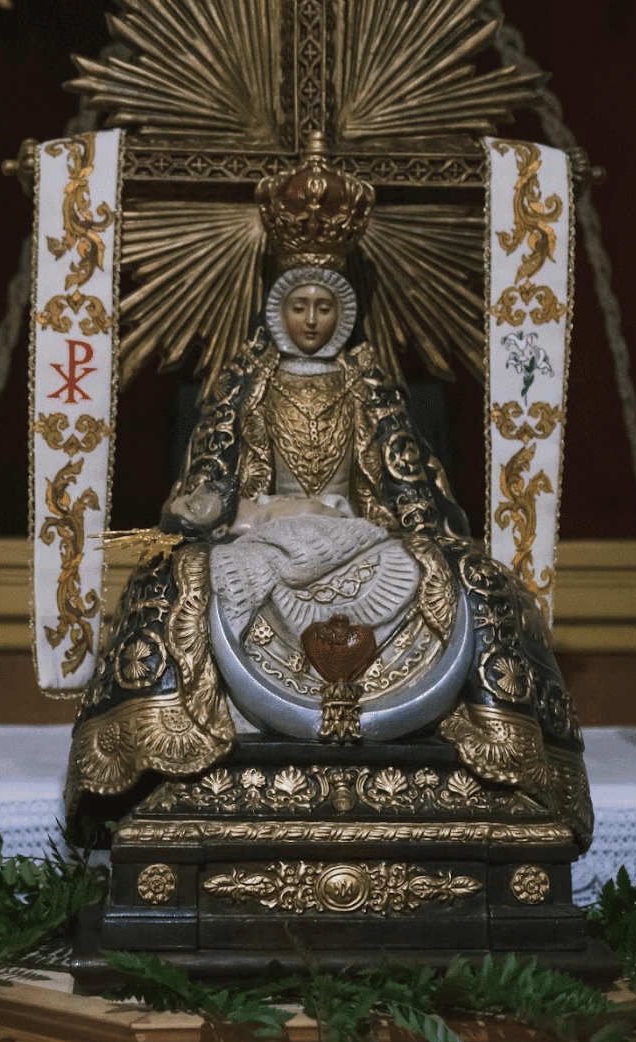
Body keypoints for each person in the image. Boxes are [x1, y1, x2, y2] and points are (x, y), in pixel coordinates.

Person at [66, 254, 589, 843]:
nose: (311, 320)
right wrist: (216, 509)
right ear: (277, 312)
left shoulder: (368, 389)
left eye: (324, 307)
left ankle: (494, 735)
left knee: (469, 574)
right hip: (261, 528)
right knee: (172, 576)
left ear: (345, 315)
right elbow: (212, 480)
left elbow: (404, 487)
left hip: (357, 532)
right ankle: (167, 733)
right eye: (299, 306)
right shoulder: (245, 389)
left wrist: (392, 522)